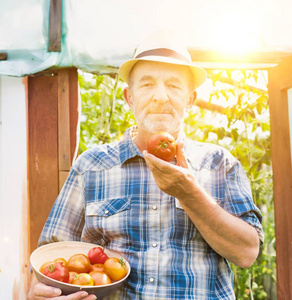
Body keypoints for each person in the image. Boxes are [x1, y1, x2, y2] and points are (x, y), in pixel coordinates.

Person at [28, 31, 264, 300]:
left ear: (190, 99)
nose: (161, 97)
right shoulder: (91, 166)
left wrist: (190, 194)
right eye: (147, 84)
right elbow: (51, 255)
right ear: (130, 97)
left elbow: (247, 253)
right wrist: (44, 293)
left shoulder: (220, 164)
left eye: (174, 86)